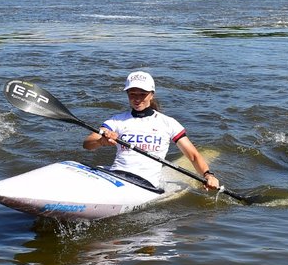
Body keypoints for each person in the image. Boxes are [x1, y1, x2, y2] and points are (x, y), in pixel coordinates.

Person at [83, 71, 220, 192]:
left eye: (142, 94)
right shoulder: (116, 121)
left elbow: (193, 156)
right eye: (132, 94)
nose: (137, 99)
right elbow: (87, 144)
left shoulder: (168, 123)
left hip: (146, 184)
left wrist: (208, 175)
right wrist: (101, 141)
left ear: (151, 95)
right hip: (115, 176)